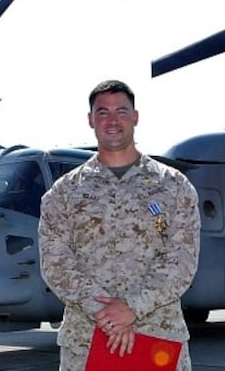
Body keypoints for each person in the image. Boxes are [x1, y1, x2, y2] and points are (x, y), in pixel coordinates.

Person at [38, 79, 201, 370]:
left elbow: (181, 260)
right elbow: (56, 263)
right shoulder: (64, 193)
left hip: (158, 338)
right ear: (90, 120)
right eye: (103, 112)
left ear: (135, 117)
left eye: (121, 111)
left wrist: (132, 307)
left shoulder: (174, 187)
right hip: (86, 343)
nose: (112, 120)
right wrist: (108, 314)